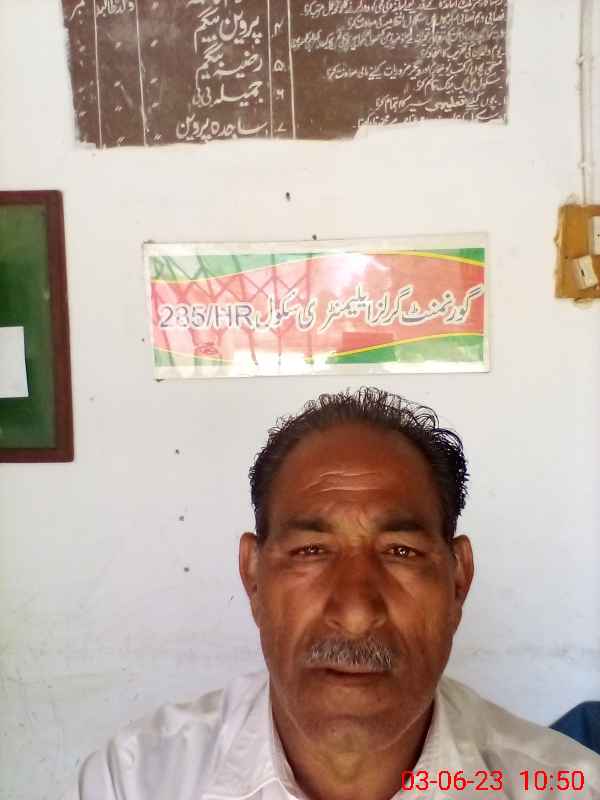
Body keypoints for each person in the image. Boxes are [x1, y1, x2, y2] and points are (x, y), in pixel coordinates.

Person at [73, 388, 600, 799]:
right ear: (253, 577)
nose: (355, 613)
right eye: (311, 551)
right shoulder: (136, 782)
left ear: (458, 580)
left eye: (400, 551)